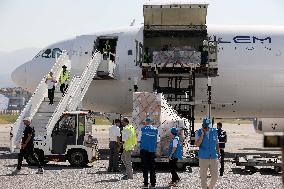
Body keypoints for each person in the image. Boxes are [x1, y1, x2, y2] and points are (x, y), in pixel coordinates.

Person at [195, 117, 220, 189]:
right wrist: (202, 135)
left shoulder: (214, 131)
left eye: (208, 126)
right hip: (203, 158)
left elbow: (216, 143)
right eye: (206, 126)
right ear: (203, 125)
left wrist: (218, 153)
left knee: (215, 177)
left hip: (213, 157)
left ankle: (209, 188)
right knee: (203, 178)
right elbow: (197, 144)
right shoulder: (198, 132)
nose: (207, 128)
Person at [138, 117, 160, 188]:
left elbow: (138, 140)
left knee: (145, 167)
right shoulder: (156, 130)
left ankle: (145, 183)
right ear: (151, 122)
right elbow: (157, 141)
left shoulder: (142, 129)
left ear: (146, 122)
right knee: (152, 167)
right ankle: (153, 183)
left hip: (144, 150)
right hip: (152, 150)